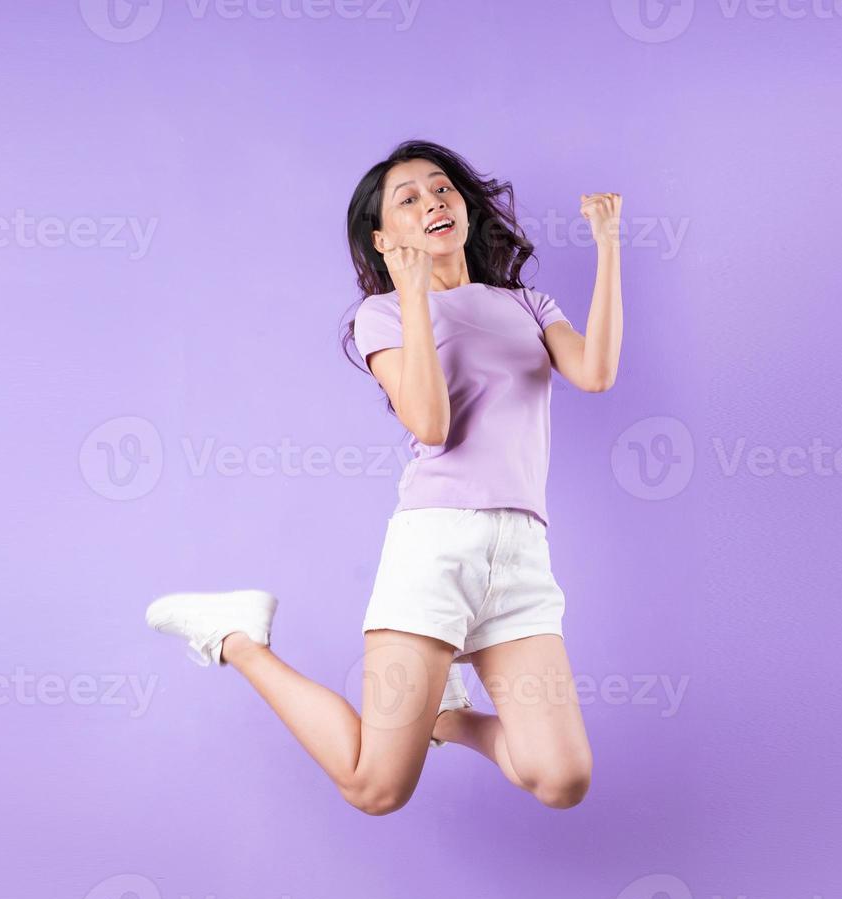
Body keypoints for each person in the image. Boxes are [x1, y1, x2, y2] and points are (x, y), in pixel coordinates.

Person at [145, 139, 623, 815]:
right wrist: (412, 295)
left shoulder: (529, 306)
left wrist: (607, 245)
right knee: (375, 788)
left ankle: (445, 718)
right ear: (382, 236)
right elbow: (430, 423)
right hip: (436, 551)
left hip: (521, 556)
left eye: (442, 189)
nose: (432, 201)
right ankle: (235, 637)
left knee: (560, 776)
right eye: (408, 198)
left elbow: (596, 373)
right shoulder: (383, 316)